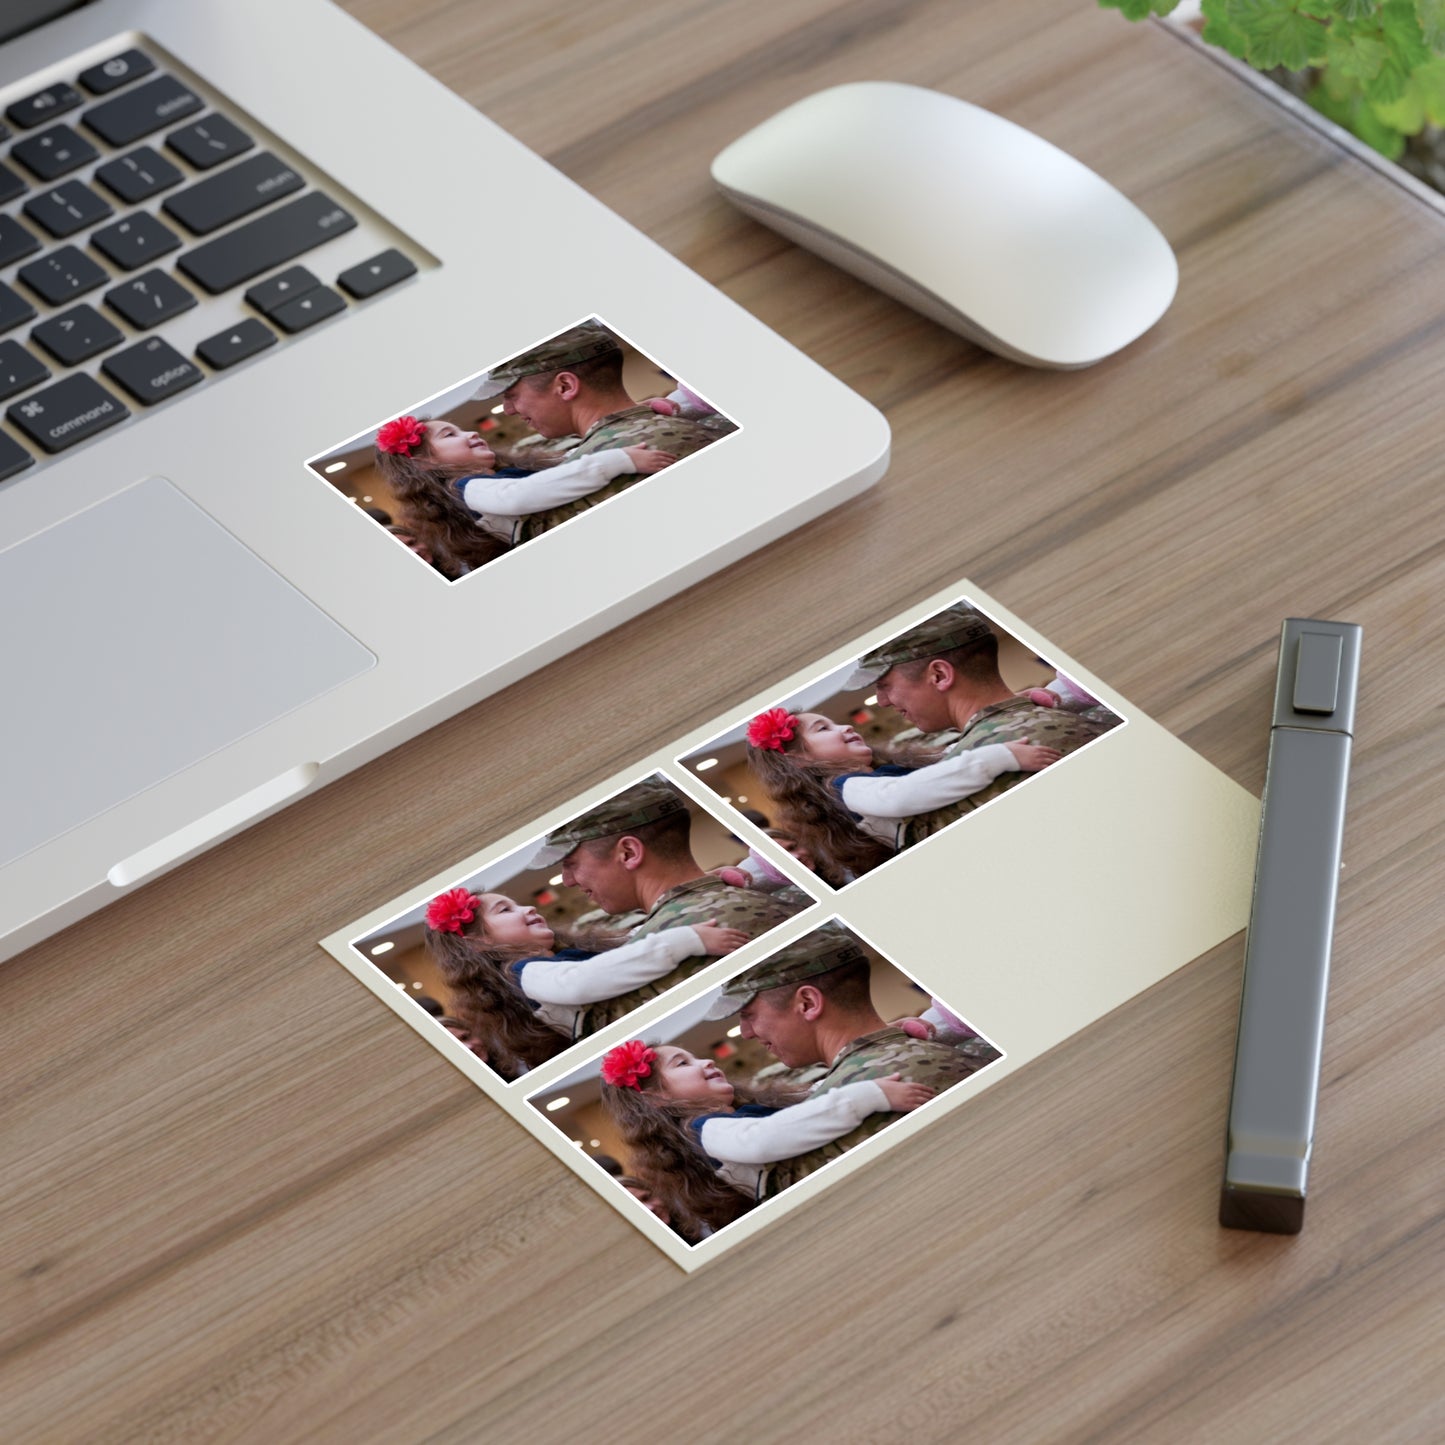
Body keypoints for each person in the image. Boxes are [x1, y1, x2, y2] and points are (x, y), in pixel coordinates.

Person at [707, 922, 1000, 1197]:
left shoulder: (828, 1122)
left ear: (807, 1003)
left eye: (748, 1015)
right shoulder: (970, 1045)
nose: (745, 1033)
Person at [530, 776, 807, 1030]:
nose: (567, 881)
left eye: (571, 864)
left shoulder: (647, 961)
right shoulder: (780, 901)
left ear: (628, 853)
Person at [600, 1036, 933, 1236]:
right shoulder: (707, 1130)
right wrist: (868, 1096)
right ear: (656, 1098)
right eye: (682, 1064)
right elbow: (765, 1138)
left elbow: (805, 1109)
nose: (706, 1061)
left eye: (695, 1056)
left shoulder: (733, 1118)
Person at [852, 605, 1122, 845]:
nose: (883, 701)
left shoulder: (964, 779)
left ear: (939, 675)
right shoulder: (1095, 713)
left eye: (884, 686)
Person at [422, 885, 750, 1078]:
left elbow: (630, 947)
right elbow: (585, 981)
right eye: (505, 910)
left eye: (516, 902)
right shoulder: (527, 974)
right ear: (479, 943)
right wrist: (687, 939)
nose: (529, 907)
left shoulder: (562, 958)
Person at [744, 703, 1062, 884]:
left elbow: (951, 756)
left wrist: (1008, 710)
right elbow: (902, 795)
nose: (844, 727)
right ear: (799, 758)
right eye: (823, 729)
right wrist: (996, 758)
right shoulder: (847, 788)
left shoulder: (884, 769)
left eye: (834, 721)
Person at [484, 320, 735, 537]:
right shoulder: (717, 420)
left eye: (512, 395)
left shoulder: (582, 478)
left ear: (565, 386)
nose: (508, 410)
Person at [373, 410, 676, 574]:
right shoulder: (468, 489)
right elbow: (520, 495)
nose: (472, 432)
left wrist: (644, 411)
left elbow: (569, 463)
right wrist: (617, 460)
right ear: (424, 461)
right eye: (450, 435)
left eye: (461, 429)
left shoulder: (501, 473)